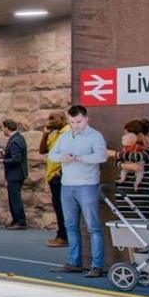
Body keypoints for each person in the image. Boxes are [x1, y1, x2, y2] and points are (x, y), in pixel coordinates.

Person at [50, 104, 108, 279]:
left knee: (93, 227)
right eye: (72, 122)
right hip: (67, 186)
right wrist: (63, 158)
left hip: (87, 186)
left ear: (86, 119)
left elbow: (101, 156)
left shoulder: (95, 136)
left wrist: (79, 158)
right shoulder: (65, 136)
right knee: (71, 226)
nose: (76, 125)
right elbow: (52, 155)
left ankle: (97, 265)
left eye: (79, 121)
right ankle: (74, 262)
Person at [39, 113, 68, 248]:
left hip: (60, 177)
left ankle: (63, 236)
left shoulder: (67, 132)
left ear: (62, 119)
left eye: (52, 118)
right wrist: (45, 134)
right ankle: (62, 234)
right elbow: (42, 150)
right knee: (58, 207)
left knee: (62, 208)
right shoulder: (56, 135)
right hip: (53, 177)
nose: (49, 121)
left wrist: (60, 173)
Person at [1, 119, 29, 230]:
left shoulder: (15, 140)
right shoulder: (17, 138)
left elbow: (16, 159)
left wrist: (1, 160)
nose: (2, 130)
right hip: (16, 174)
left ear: (7, 128)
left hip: (15, 174)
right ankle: (16, 219)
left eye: (3, 128)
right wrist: (4, 153)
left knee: (15, 198)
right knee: (13, 198)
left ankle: (20, 222)